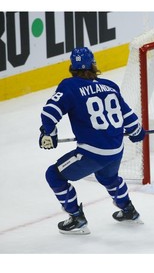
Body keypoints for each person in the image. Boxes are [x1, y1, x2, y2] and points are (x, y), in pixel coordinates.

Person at [39, 47, 145, 235]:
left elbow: (48, 113)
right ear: (93, 64)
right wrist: (137, 132)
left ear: (72, 67)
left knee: (54, 175)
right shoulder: (109, 85)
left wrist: (50, 133)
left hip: (92, 153)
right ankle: (129, 210)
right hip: (116, 149)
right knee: (108, 177)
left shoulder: (69, 86)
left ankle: (77, 218)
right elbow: (128, 115)